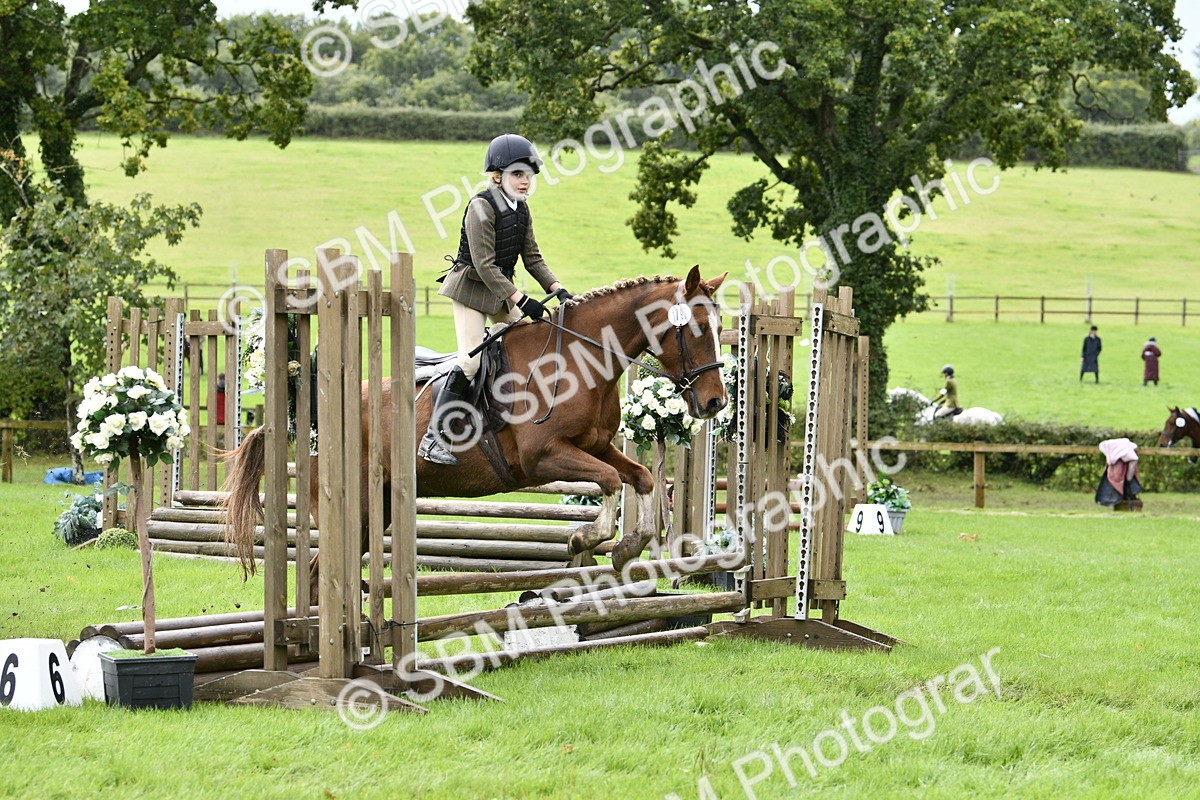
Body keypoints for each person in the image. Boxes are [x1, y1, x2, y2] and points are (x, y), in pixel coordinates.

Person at [420, 133, 571, 466]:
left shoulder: (522, 210)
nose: (525, 181)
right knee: (471, 360)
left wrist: (556, 286)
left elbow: (532, 257)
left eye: (529, 175)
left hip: (499, 289)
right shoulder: (481, 207)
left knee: (527, 344)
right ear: (497, 175)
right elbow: (485, 265)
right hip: (471, 288)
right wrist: (521, 300)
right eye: (518, 174)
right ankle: (435, 437)